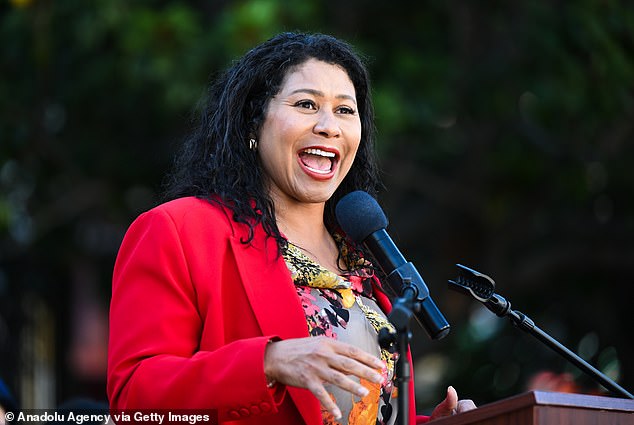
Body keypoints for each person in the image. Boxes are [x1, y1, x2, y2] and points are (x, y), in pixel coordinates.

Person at [107, 32, 476, 425]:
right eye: (306, 104)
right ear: (253, 122)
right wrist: (268, 362)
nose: (329, 126)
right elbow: (134, 398)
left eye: (344, 111)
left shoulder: (360, 259)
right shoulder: (180, 231)